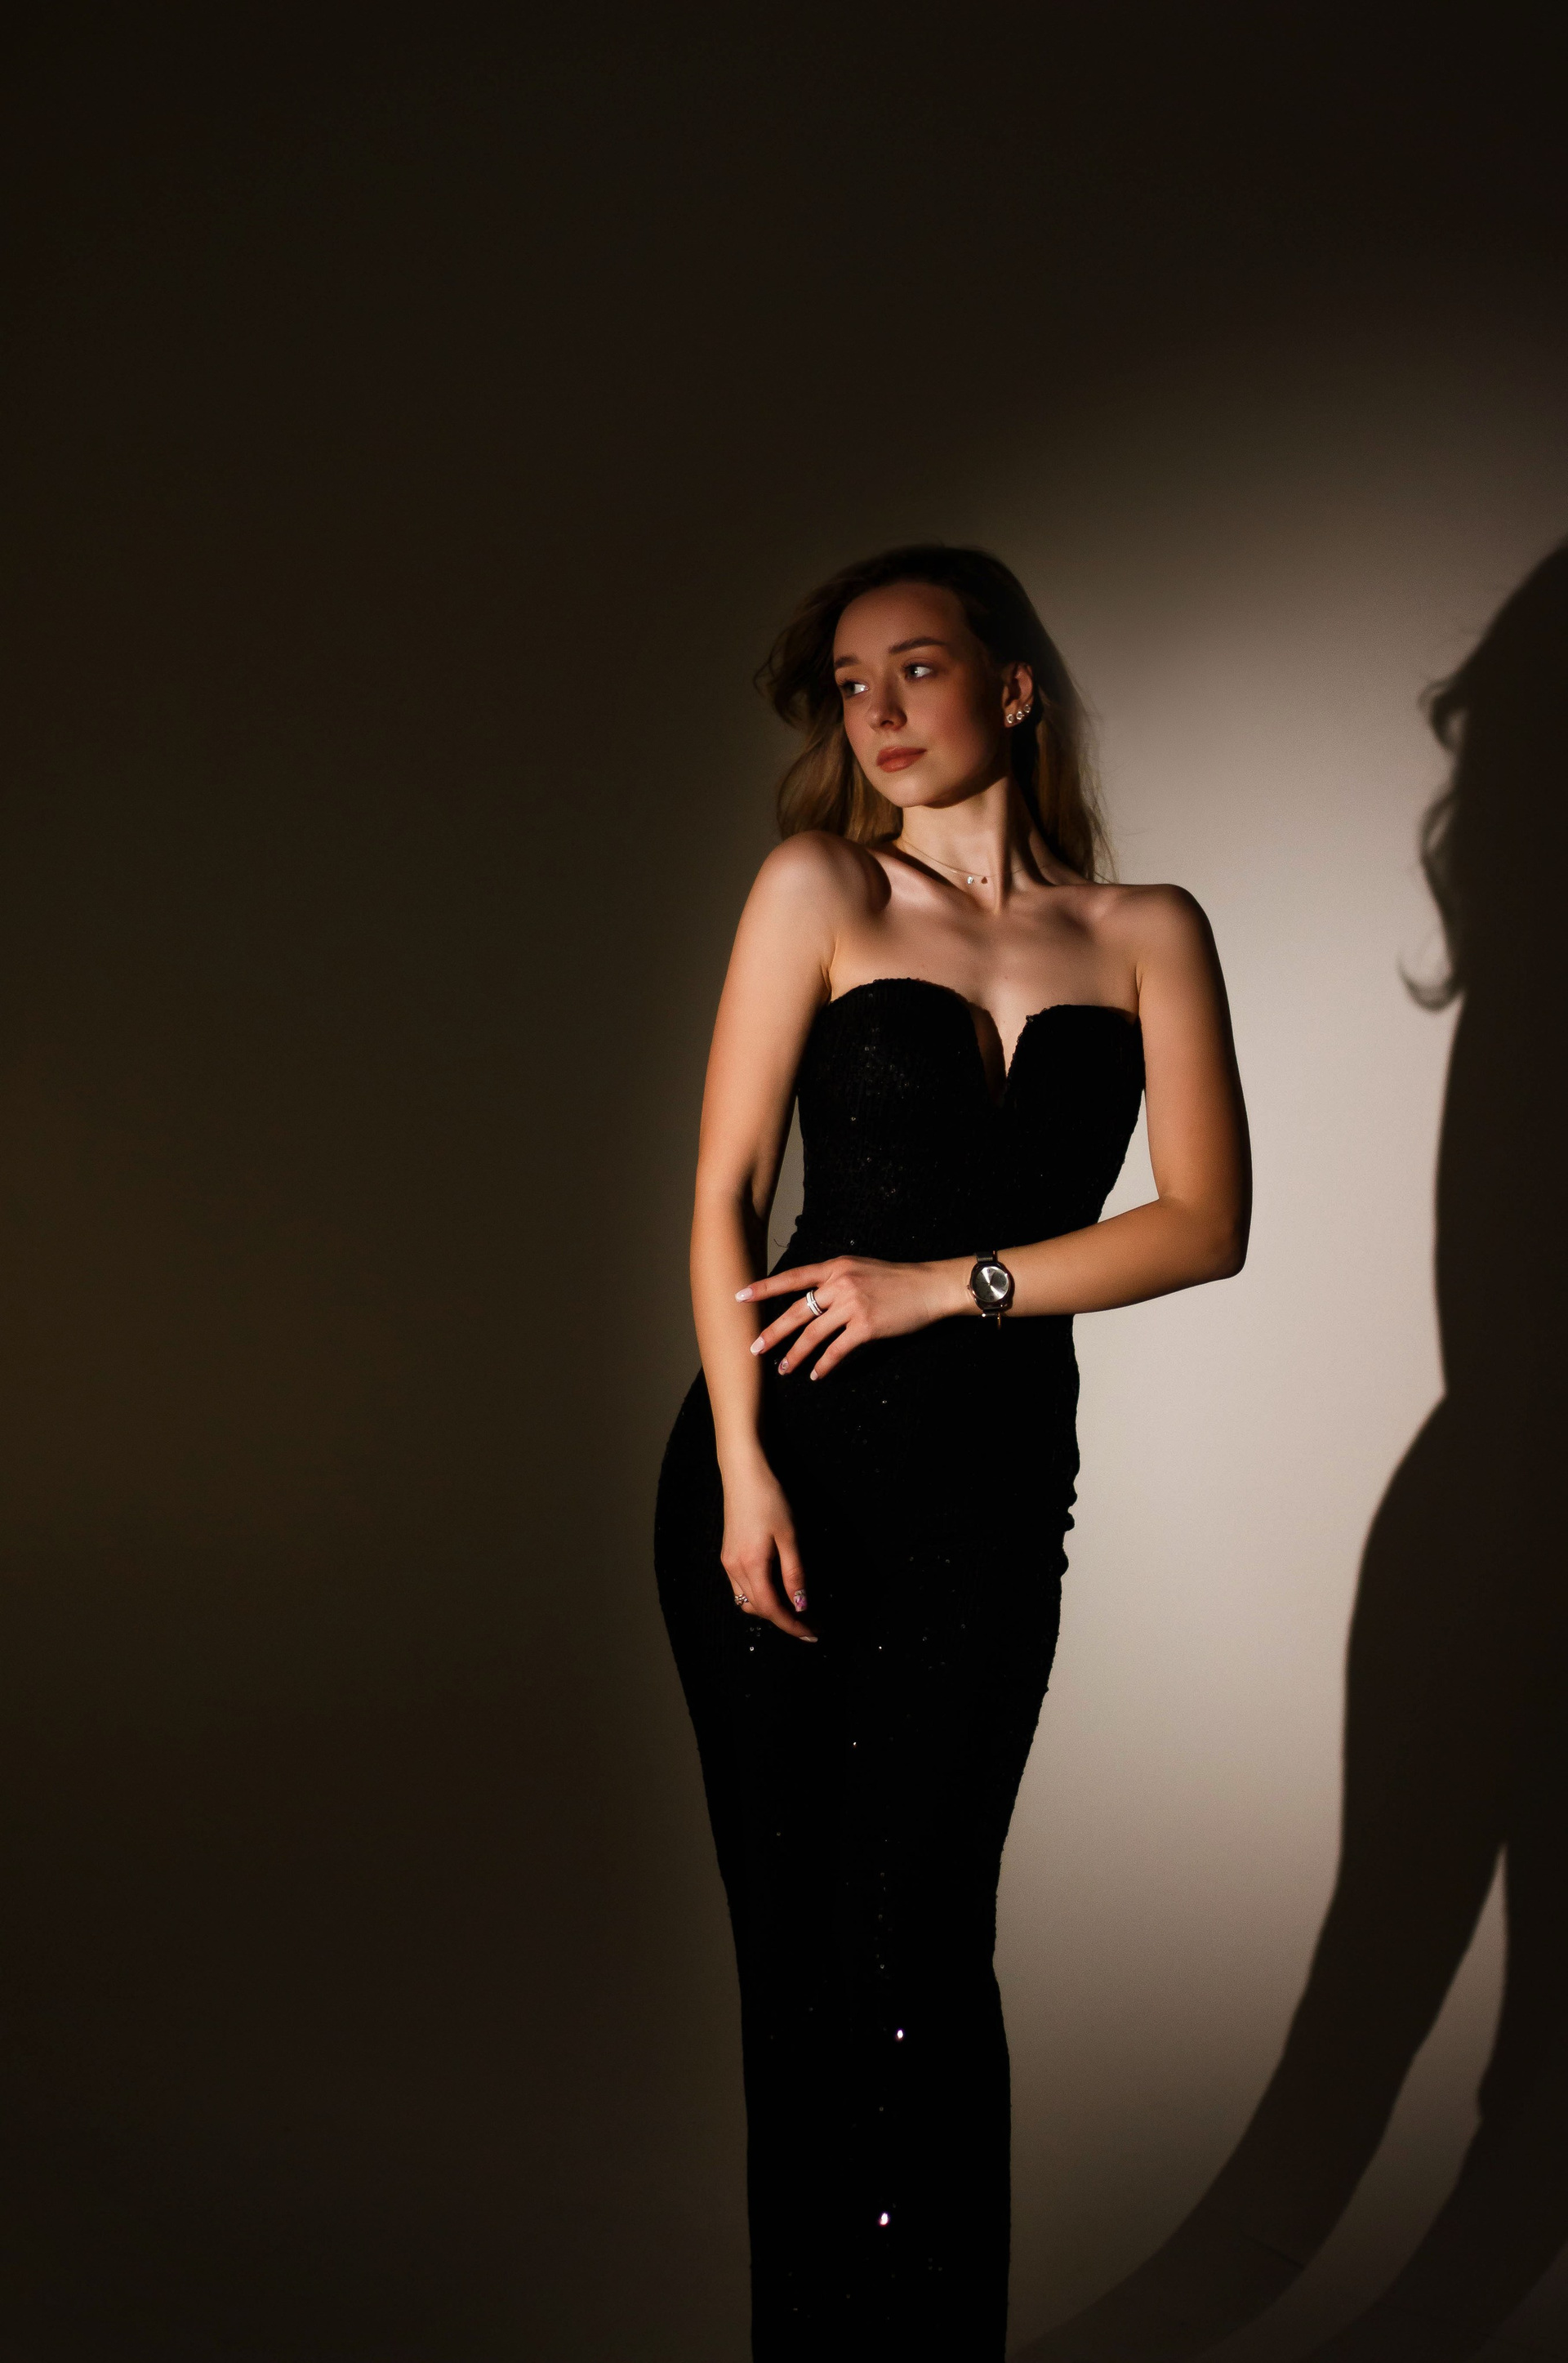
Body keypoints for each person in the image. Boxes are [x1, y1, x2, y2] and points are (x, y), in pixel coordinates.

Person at [655, 543, 1251, 2361]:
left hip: (991, 1487)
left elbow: (1204, 1223)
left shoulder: (1147, 930)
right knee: (800, 1960)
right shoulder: (819, 886)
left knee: (921, 1938)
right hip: (784, 1467)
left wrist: (946, 1286)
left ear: (1012, 686)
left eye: (915, 667)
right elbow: (721, 1192)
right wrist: (744, 1468)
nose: (879, 712)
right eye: (851, 685)